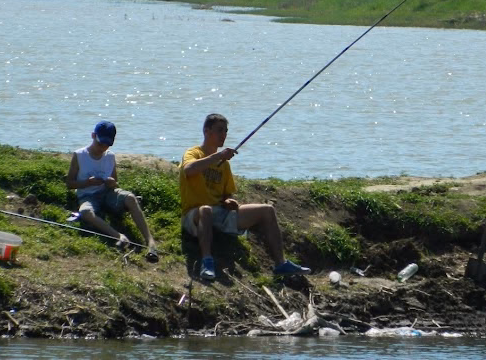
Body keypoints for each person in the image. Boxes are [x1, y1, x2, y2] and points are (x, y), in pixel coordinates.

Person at [180, 113, 310, 281]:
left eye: (226, 131)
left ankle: (280, 264)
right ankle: (207, 262)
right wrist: (217, 156)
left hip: (220, 213)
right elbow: (189, 170)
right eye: (219, 130)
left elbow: (226, 194)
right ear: (206, 131)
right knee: (205, 210)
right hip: (194, 214)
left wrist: (228, 201)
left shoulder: (224, 165)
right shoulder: (194, 153)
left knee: (267, 210)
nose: (224, 135)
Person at [66, 120, 158, 262]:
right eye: (100, 143)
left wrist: (112, 183)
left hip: (107, 193)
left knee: (131, 198)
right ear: (93, 136)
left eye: (107, 144)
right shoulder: (79, 155)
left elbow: (115, 182)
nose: (102, 148)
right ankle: (118, 236)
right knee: (85, 212)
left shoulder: (110, 156)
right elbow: (70, 183)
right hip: (87, 195)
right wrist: (87, 183)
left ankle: (150, 242)